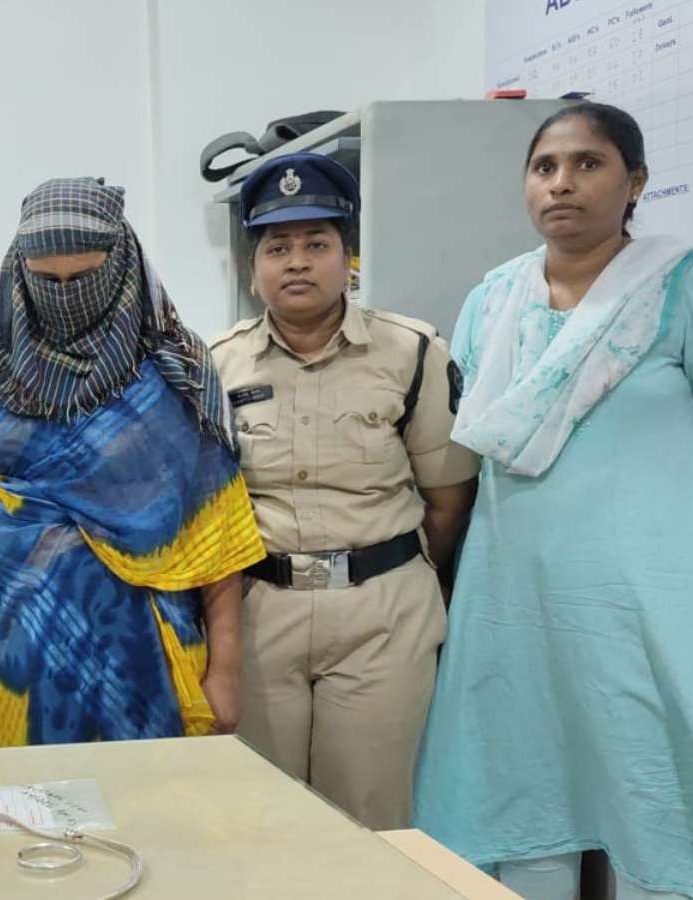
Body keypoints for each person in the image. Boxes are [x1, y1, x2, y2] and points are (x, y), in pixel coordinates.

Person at [413, 102, 693, 900]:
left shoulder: (687, 286)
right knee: (521, 789)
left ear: (635, 183)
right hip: (517, 603)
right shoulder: (494, 300)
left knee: (662, 794)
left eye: (588, 164)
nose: (562, 183)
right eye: (544, 167)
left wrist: (688, 532)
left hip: (651, 608)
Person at [0, 177, 264, 749]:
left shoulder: (176, 365)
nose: (65, 297)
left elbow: (216, 524)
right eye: (46, 281)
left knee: (154, 797)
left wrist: (226, 668)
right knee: (34, 798)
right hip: (23, 647)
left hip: (153, 640)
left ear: (122, 266)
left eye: (85, 278)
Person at [209, 152, 477, 830]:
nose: (297, 263)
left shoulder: (412, 352)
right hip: (261, 612)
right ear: (252, 267)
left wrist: (390, 573)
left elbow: (448, 498)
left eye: (316, 244)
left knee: (370, 817)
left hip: (381, 617)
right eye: (277, 248)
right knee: (263, 819)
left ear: (347, 258)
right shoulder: (216, 364)